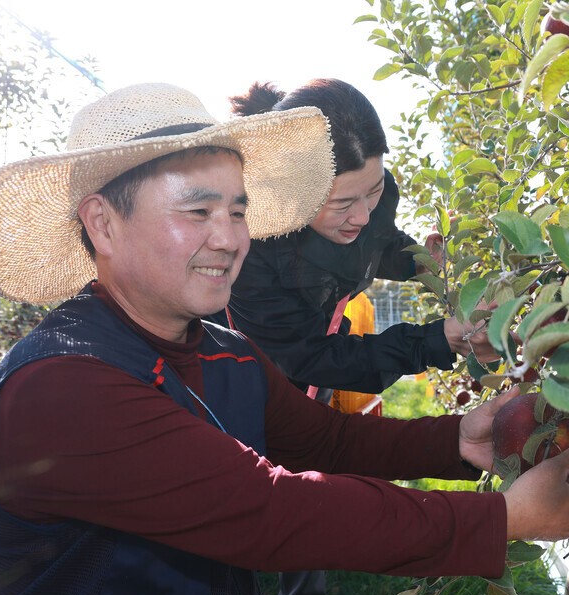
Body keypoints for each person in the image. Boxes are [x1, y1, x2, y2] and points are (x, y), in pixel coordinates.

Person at [0, 83, 569, 595]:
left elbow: (327, 441)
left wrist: (457, 439)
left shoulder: (229, 357)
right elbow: (268, 512)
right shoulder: (65, 384)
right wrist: (500, 521)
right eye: (196, 211)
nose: (227, 239)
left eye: (237, 211)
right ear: (102, 223)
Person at [207, 79, 498, 405]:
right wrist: (436, 339)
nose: (362, 216)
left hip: (323, 362)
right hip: (256, 380)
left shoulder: (376, 196)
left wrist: (415, 259)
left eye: (372, 191)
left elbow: (375, 242)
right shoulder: (251, 251)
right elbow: (308, 357)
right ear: (295, 196)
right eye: (342, 204)